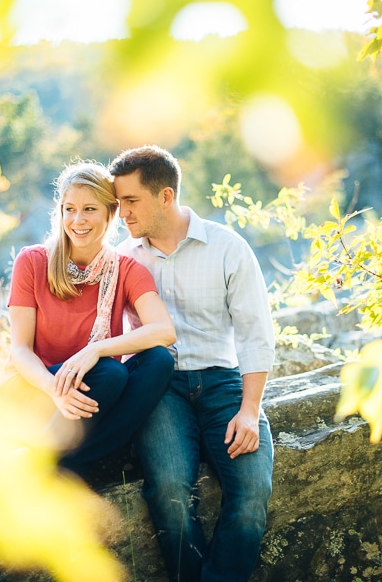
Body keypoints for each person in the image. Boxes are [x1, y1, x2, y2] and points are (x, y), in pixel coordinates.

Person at [109, 146, 275, 582]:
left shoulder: (228, 247)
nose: (121, 213)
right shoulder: (124, 259)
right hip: (160, 388)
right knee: (167, 492)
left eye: (131, 201)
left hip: (224, 383)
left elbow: (255, 333)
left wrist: (250, 410)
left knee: (252, 490)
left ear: (165, 196)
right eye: (119, 201)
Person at [5, 161, 176, 477]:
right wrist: (54, 388)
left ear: (111, 213)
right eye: (69, 209)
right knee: (110, 374)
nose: (77, 220)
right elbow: (20, 351)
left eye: (89, 209)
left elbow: (164, 330)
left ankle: (64, 465)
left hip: (92, 390)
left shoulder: (125, 270)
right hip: (35, 389)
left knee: (158, 362)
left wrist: (95, 349)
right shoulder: (32, 261)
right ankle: (59, 461)